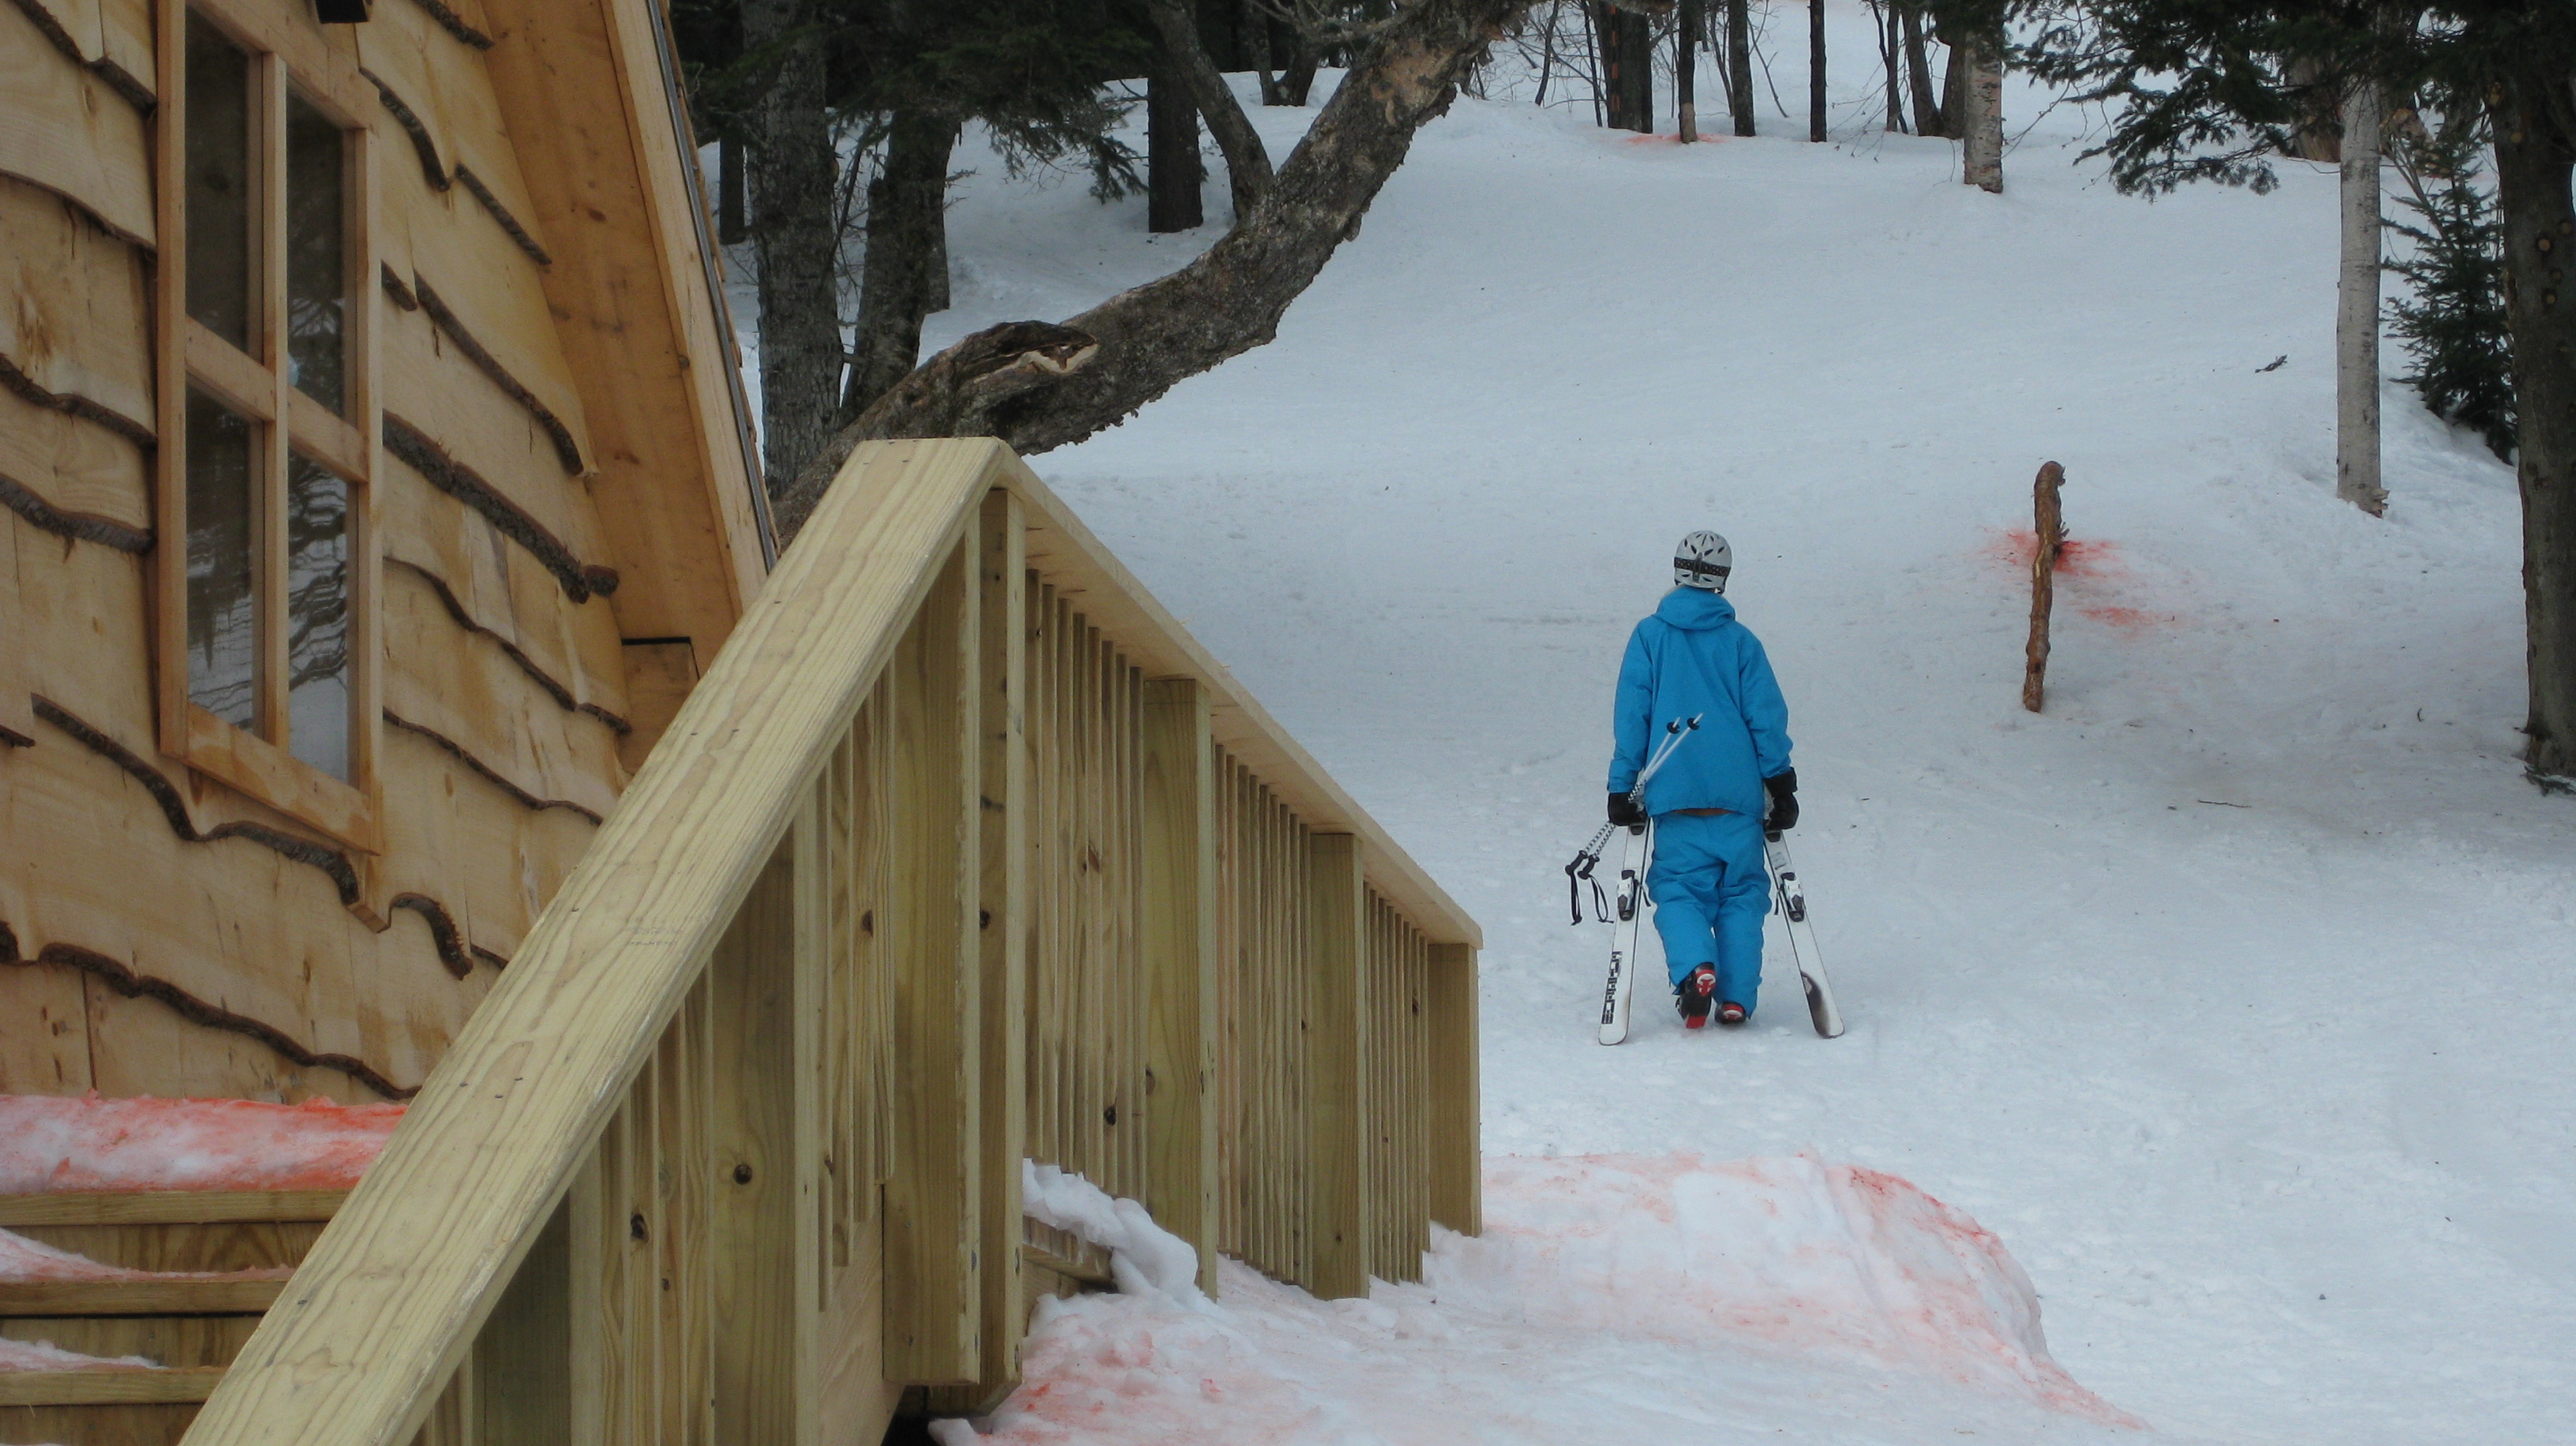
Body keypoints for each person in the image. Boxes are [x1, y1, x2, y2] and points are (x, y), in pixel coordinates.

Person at [1606, 531, 1797, 1028]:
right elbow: (1765, 715)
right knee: (1742, 894)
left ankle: (1696, 967)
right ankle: (1735, 998)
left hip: (1675, 793)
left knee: (1678, 889)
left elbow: (1634, 715)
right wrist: (1780, 781)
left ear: (1676, 571)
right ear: (1722, 579)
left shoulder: (1650, 636)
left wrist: (1621, 785)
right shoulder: (1740, 641)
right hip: (1738, 798)